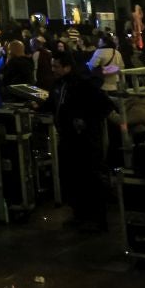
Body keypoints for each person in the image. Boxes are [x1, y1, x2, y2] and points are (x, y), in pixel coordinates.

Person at [46, 49, 114, 232]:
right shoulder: (59, 85)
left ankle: (98, 219)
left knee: (89, 177)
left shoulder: (83, 85)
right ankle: (80, 213)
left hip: (84, 141)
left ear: (67, 67)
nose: (53, 69)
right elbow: (55, 104)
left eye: (56, 66)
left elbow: (105, 106)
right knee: (72, 177)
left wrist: (85, 121)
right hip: (67, 138)